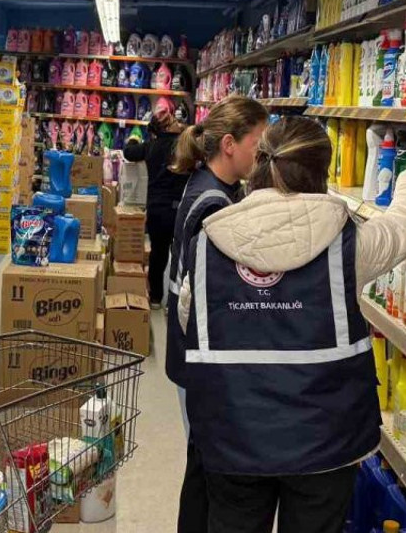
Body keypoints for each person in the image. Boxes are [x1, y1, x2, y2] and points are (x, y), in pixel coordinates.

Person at [178, 116, 406, 533]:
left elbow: (191, 316)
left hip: (232, 435)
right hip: (325, 442)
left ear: (258, 164)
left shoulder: (207, 243)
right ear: (322, 173)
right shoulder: (349, 246)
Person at [163, 96, 269, 533]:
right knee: (209, 472)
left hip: (188, 354)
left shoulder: (211, 186)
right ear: (229, 144)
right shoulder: (214, 205)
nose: (263, 154)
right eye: (258, 144)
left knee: (201, 466)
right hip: (199, 360)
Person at [121, 108, 190, 309]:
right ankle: (176, 302)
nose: (177, 122)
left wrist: (133, 139)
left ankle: (156, 299)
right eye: (174, 120)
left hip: (157, 209)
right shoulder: (184, 147)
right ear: (168, 127)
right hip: (180, 208)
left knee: (158, 254)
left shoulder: (151, 146)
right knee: (181, 255)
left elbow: (129, 152)